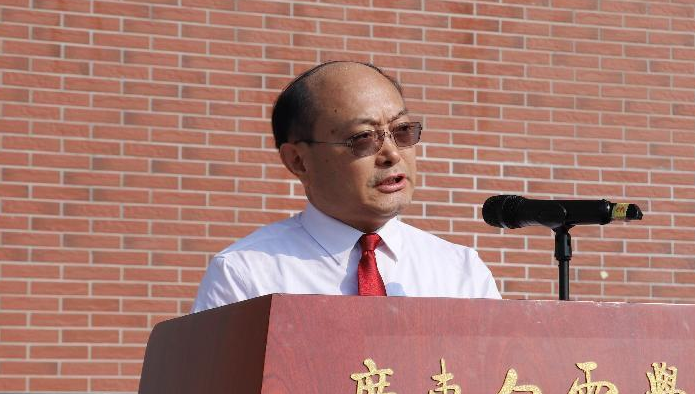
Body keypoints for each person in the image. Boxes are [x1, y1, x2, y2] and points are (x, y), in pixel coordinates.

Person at [191, 61, 501, 312]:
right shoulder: (246, 275)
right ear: (298, 161)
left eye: (402, 131)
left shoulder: (460, 272)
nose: (392, 154)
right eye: (363, 137)